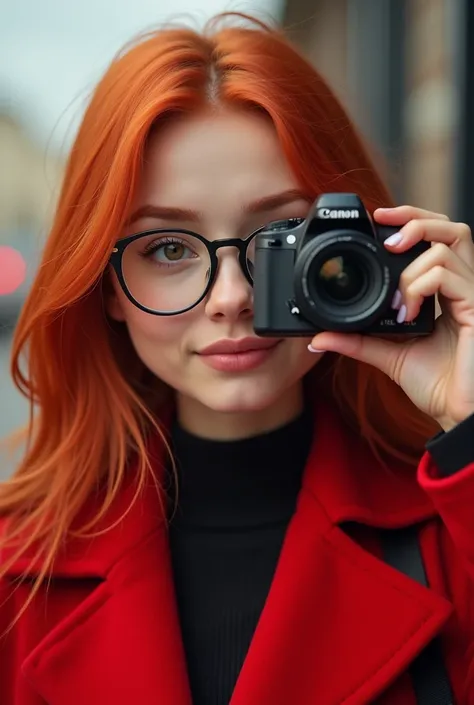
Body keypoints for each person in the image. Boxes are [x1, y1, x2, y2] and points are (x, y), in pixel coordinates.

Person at [1, 13, 474, 705]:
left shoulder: (453, 531)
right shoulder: (18, 575)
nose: (232, 296)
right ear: (105, 287)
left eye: (281, 237)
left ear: (366, 247)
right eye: (167, 247)